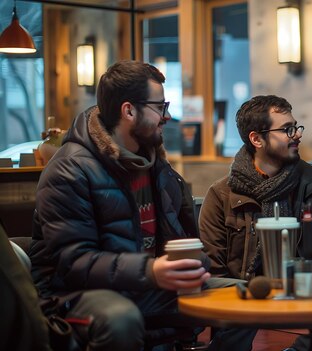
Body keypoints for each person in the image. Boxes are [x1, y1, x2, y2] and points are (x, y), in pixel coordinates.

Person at [29, 60, 254, 351]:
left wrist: (193, 264)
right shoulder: (69, 170)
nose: (168, 115)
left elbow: (180, 239)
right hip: (75, 294)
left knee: (243, 297)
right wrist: (150, 271)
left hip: (146, 285)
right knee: (120, 318)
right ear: (129, 110)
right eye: (160, 106)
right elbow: (74, 263)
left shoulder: (155, 165)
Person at [198, 95, 312, 281]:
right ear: (257, 139)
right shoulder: (221, 194)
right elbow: (214, 270)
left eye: (296, 127)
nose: (297, 135)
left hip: (308, 292)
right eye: (287, 130)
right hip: (244, 298)